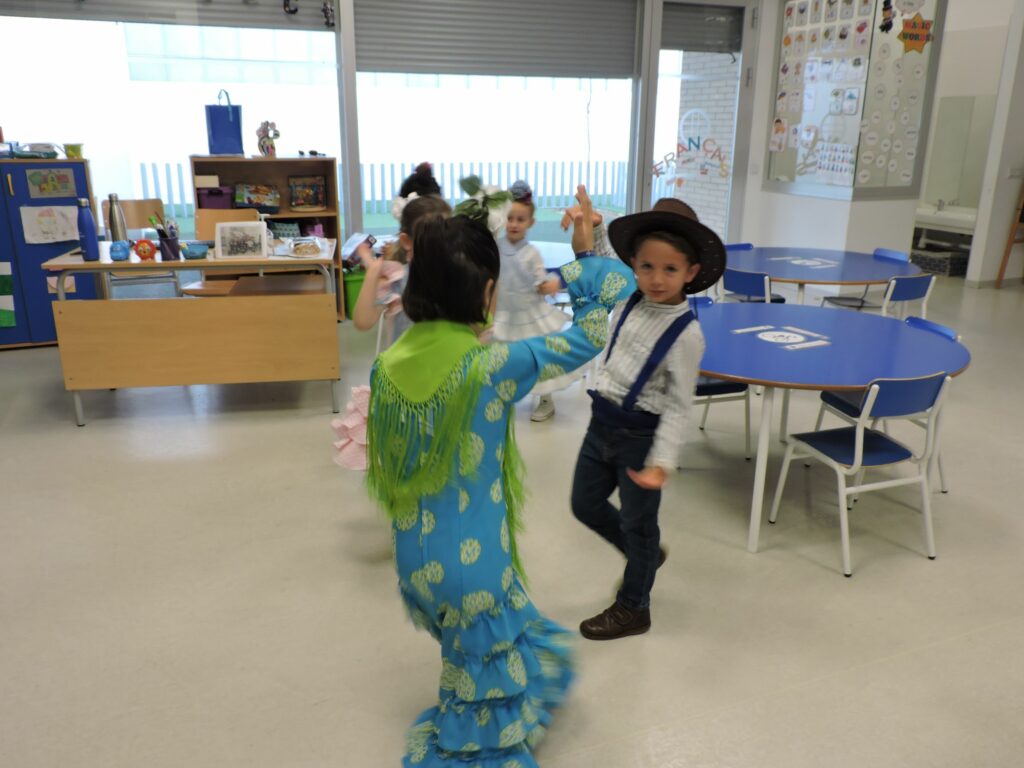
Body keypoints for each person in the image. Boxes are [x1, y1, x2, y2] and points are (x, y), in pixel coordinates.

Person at [364, 187, 633, 766]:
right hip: (477, 562)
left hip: (415, 559)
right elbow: (585, 339)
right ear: (487, 295)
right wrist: (585, 257)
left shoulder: (385, 367)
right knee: (485, 666)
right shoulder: (491, 368)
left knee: (466, 654)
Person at [569, 200, 726, 641]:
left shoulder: (687, 334)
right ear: (634, 266)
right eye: (647, 267)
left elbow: (679, 405)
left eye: (670, 270)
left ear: (691, 272)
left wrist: (662, 462)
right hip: (601, 423)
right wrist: (592, 227)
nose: (656, 279)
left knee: (639, 524)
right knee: (583, 504)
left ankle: (634, 606)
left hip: (642, 438)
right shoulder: (630, 297)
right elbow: (597, 267)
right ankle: (645, 554)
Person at [492, 181, 572, 422]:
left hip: (528, 313)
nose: (514, 224)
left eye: (520, 219)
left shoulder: (532, 253)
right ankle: (504, 393)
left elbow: (541, 281)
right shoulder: (496, 247)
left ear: (531, 223)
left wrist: (549, 285)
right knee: (504, 356)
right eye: (510, 218)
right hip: (505, 313)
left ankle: (546, 399)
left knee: (537, 356)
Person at [351, 163, 451, 348]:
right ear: (406, 241)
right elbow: (363, 321)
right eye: (431, 237)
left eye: (447, 234)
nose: (441, 243)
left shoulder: (456, 274)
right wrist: (373, 271)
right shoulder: (398, 278)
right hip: (406, 372)